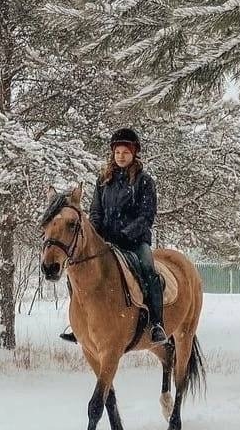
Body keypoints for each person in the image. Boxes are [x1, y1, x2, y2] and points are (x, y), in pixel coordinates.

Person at [61, 127, 165, 344]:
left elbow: (147, 215)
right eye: (117, 152)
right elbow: (96, 212)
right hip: (106, 242)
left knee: (148, 270)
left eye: (125, 152)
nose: (121, 157)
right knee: (75, 272)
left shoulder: (144, 182)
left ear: (134, 153)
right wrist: (95, 235)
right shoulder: (103, 181)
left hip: (135, 242)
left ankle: (156, 324)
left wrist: (127, 234)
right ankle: (78, 324)